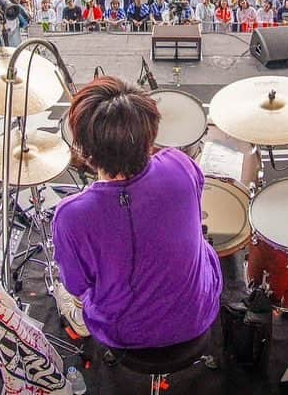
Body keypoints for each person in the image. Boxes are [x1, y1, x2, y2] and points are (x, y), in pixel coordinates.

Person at [52, 78, 222, 350]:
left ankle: (80, 325)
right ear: (150, 139)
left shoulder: (71, 216)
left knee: (69, 293)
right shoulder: (181, 164)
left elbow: (76, 284)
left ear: (85, 153)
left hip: (126, 336)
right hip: (199, 315)